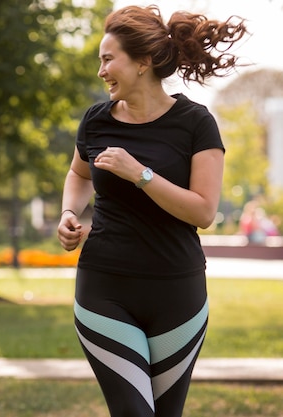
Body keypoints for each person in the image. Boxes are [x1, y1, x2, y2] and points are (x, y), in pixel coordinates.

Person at [57, 5, 247, 417]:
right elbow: (79, 175)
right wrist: (69, 213)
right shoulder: (96, 120)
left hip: (178, 297)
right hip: (104, 290)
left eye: (108, 59)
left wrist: (140, 173)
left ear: (142, 63)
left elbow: (203, 211)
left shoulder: (196, 123)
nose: (100, 71)